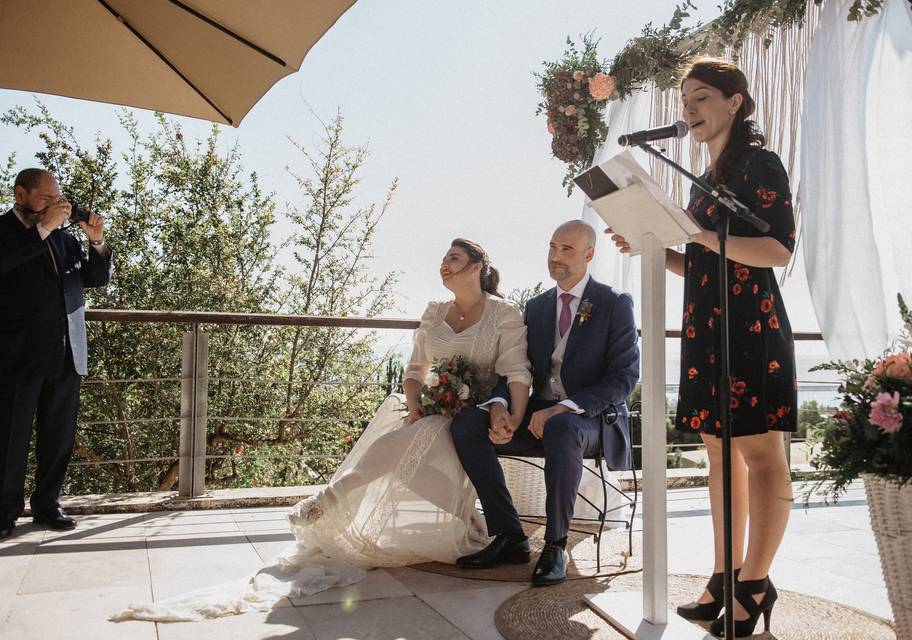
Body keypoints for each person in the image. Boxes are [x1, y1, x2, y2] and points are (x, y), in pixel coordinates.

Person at [113, 238, 533, 621]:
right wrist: (415, 406)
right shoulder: (434, 312)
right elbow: (415, 370)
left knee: (405, 443)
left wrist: (512, 416)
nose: (444, 266)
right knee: (403, 436)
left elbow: (516, 369)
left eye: (454, 260)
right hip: (428, 411)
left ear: (478, 266)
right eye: (442, 260)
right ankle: (342, 501)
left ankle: (329, 500)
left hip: (474, 413)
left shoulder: (503, 314)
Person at [608, 58, 797, 637]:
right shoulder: (708, 179)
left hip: (749, 327)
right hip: (706, 328)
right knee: (718, 453)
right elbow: (700, 261)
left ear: (735, 101)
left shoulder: (760, 164)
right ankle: (725, 574)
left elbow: (777, 251)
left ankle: (756, 583)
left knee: (761, 455)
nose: (689, 111)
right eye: (684, 102)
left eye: (701, 98)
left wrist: (699, 239)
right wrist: (648, 245)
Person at [451, 220, 639, 587]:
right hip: (538, 415)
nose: (555, 256)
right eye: (552, 247)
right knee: (467, 425)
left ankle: (555, 545)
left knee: (561, 426)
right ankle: (510, 536)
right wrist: (499, 405)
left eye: (567, 249)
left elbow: (624, 379)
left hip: (590, 420)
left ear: (589, 254)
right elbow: (517, 367)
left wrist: (565, 406)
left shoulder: (614, 303)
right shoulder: (536, 307)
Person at [0, 168, 113, 540]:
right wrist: (43, 229)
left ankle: (47, 504)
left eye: (58, 198)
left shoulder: (65, 240)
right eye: (47, 199)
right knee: (11, 438)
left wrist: (96, 242)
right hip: (17, 356)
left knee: (58, 436)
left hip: (67, 355)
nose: (56, 205)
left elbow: (94, 279)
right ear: (21, 194)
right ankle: (5, 511)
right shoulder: (5, 231)